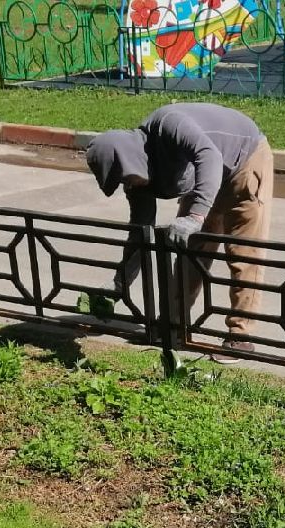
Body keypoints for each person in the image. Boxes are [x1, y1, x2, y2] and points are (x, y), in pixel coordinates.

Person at [84, 103, 273, 357]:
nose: (128, 185)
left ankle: (240, 336)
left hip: (244, 161)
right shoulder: (135, 175)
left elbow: (209, 155)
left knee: (243, 254)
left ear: (128, 160)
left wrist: (195, 216)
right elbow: (141, 235)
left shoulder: (168, 122)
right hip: (205, 177)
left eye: (125, 178)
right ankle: (173, 326)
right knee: (188, 253)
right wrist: (119, 283)